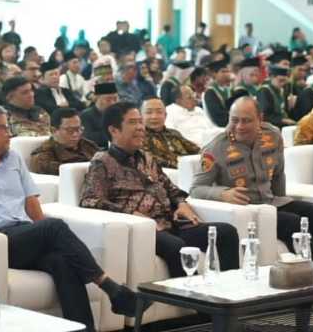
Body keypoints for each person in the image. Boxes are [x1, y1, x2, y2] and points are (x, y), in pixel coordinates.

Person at [0, 103, 140, 331]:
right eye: (4, 128)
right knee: (53, 227)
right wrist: (47, 233)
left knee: (63, 262)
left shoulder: (13, 159)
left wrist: (51, 241)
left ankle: (85, 329)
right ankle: (111, 288)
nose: (10, 133)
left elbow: (33, 207)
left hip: (25, 236)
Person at [190, 97, 313, 315]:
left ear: (260, 119)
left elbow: (278, 175)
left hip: (274, 202)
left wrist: (284, 199)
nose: (239, 126)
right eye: (234, 120)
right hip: (250, 211)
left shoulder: (272, 135)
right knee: (295, 224)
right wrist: (222, 193)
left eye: (246, 120)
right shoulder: (215, 148)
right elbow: (196, 188)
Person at [80, 102, 239, 278]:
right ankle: (197, 302)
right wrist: (130, 212)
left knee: (226, 232)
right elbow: (90, 200)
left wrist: (181, 204)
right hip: (144, 230)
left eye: (141, 122)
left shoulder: (146, 158)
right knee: (178, 247)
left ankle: (230, 292)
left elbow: (171, 188)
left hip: (171, 223)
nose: (141, 127)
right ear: (114, 130)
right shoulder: (103, 162)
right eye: (133, 122)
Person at [29, 108, 98, 175]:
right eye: (70, 130)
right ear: (53, 130)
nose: (75, 134)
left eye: (78, 129)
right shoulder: (43, 156)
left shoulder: (87, 145)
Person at [141, 97, 200, 169]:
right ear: (141, 116)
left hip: (190, 171)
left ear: (165, 116)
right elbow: (152, 160)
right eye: (149, 112)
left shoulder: (173, 133)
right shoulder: (139, 138)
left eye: (159, 112)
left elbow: (196, 150)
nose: (154, 116)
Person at [81, 82, 119, 149]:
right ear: (97, 98)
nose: (113, 103)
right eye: (108, 99)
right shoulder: (86, 115)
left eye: (115, 99)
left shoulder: (119, 114)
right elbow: (88, 138)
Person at [203, 59, 233, 127]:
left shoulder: (231, 89)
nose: (227, 74)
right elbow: (218, 116)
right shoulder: (210, 93)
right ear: (214, 74)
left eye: (228, 71)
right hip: (222, 127)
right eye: (223, 71)